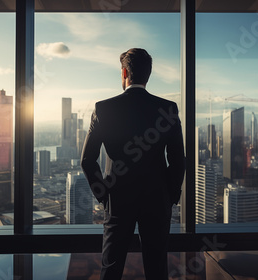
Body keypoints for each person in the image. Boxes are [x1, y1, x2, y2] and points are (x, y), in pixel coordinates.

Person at [81, 48, 185, 279]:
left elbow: (87, 160)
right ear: (148, 75)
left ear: (124, 73)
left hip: (118, 199)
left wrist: (104, 193)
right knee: (157, 268)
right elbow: (178, 159)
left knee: (111, 267)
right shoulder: (168, 108)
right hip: (157, 199)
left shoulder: (104, 108)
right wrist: (170, 195)